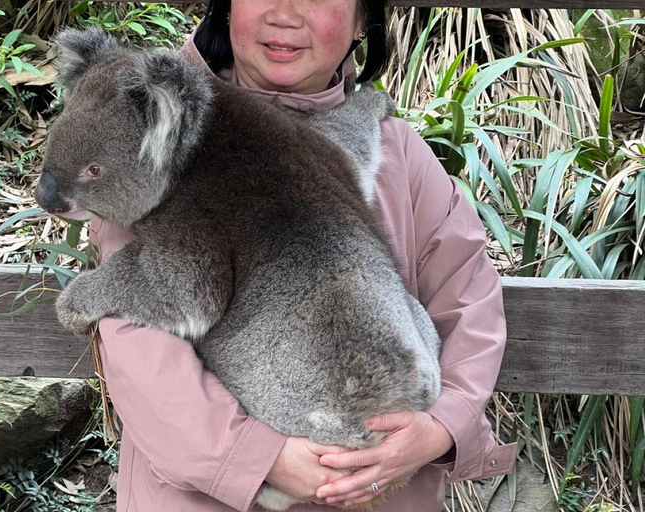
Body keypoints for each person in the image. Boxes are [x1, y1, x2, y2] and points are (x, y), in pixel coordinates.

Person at [86, 0, 518, 510]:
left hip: (389, 484)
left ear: (363, 22)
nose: (285, 14)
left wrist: (442, 426)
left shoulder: (397, 151)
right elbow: (139, 350)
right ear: (225, 9)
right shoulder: (156, 135)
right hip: (207, 492)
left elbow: (467, 297)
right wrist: (258, 458)